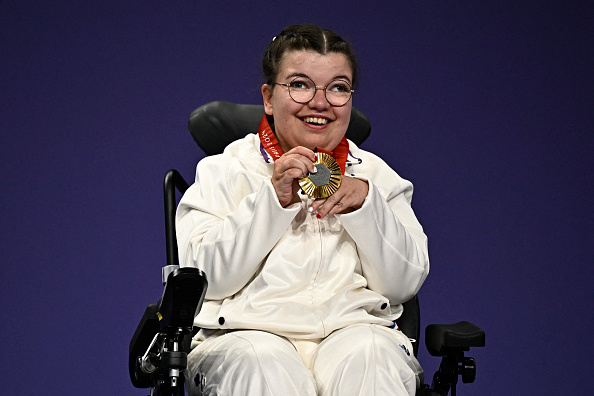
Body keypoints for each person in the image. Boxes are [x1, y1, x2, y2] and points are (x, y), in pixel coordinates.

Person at [176, 24, 429, 396]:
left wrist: (365, 207)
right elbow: (204, 280)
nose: (321, 102)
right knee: (260, 363)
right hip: (245, 333)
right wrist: (273, 201)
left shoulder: (375, 177)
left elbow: (403, 284)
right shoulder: (224, 171)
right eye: (300, 84)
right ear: (268, 97)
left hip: (353, 332)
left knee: (373, 357)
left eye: (339, 88)